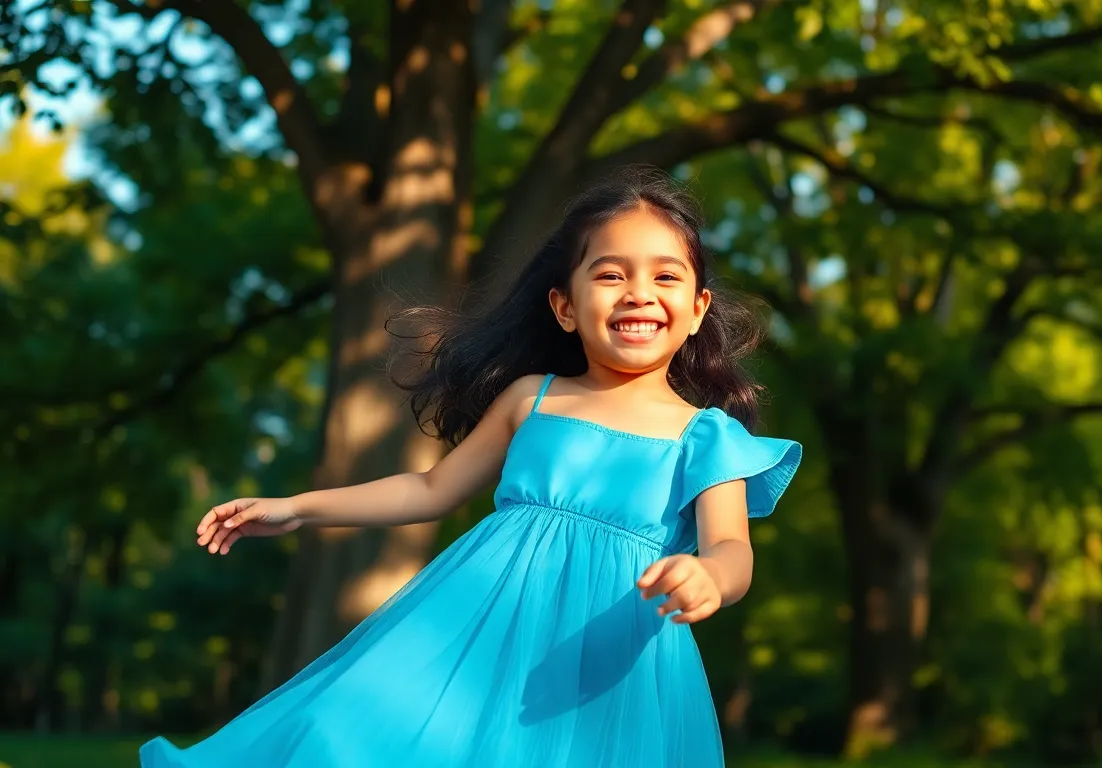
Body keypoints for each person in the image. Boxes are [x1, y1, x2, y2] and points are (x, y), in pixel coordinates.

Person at [140, 167, 802, 767]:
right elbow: (430, 488)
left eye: (665, 276)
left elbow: (731, 551)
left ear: (696, 311)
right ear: (564, 306)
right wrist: (299, 507)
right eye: (609, 274)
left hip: (613, 659)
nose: (638, 293)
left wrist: (708, 576)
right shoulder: (532, 398)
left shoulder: (707, 437)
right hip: (478, 628)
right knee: (339, 733)